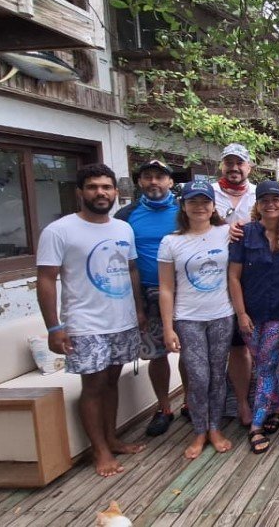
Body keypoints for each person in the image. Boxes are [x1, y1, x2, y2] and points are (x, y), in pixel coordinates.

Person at [36, 163, 146, 477]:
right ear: (80, 193)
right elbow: (46, 279)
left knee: (112, 381)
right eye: (93, 187)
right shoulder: (60, 230)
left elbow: (132, 270)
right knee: (94, 385)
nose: (101, 192)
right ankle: (99, 451)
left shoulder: (122, 228)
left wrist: (138, 310)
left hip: (121, 321)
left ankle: (112, 438)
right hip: (85, 324)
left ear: (115, 192)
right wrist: (54, 327)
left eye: (106, 187)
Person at [157, 181, 236, 459]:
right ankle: (199, 430)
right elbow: (166, 288)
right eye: (193, 201)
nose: (199, 207)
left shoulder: (227, 233)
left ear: (214, 206)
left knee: (217, 375)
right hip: (188, 318)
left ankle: (215, 427)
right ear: (183, 206)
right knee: (198, 376)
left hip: (222, 315)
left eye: (205, 201)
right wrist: (168, 328)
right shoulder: (171, 242)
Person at [114, 159, 184, 437]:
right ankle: (164, 407)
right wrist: (136, 306)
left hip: (184, 292)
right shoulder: (125, 216)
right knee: (157, 355)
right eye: (148, 177)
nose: (154, 182)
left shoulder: (185, 210)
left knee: (190, 353)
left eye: (160, 177)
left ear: (170, 182)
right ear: (140, 182)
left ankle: (191, 403)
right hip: (146, 292)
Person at [228, 180, 279, 454]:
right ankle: (277, 407)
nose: (271, 204)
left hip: (278, 313)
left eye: (276, 199)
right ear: (257, 204)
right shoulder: (244, 233)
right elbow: (233, 276)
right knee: (262, 363)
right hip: (250, 314)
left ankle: (256, 426)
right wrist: (241, 313)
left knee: (265, 366)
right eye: (265, 199)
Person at [211, 143, 256, 427]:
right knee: (208, 347)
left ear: (249, 167)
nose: (234, 168)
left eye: (240, 163)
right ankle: (197, 403)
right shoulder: (207, 194)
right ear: (222, 166)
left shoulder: (258, 195)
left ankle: (241, 402)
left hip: (248, 277)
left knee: (241, 344)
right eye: (229, 162)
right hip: (210, 278)